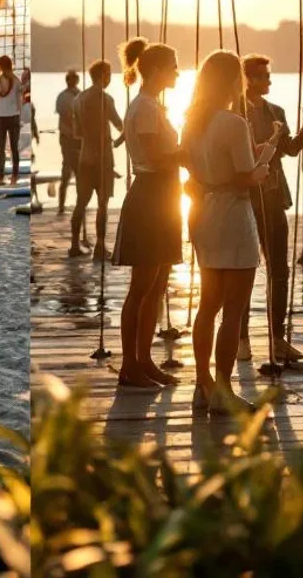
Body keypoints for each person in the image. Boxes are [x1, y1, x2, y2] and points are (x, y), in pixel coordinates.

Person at [183, 50, 278, 414]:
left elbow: (193, 173)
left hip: (203, 214)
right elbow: (243, 174)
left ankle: (202, 384)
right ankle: (223, 389)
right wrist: (259, 172)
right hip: (233, 215)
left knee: (208, 305)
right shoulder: (233, 123)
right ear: (230, 81)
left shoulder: (191, 123)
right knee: (233, 309)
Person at [233, 54, 303, 367]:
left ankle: (277, 339)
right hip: (247, 199)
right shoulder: (235, 113)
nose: (269, 81)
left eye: (269, 75)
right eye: (264, 76)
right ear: (247, 79)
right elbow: (250, 153)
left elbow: (289, 149)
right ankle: (241, 338)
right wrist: (274, 136)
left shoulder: (275, 110)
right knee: (244, 272)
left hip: (275, 197)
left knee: (279, 270)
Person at [112, 37, 182, 389]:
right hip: (151, 195)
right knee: (141, 286)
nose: (178, 72)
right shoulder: (144, 108)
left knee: (156, 286)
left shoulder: (153, 105)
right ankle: (129, 366)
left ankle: (144, 360)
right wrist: (192, 151)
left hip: (164, 196)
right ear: (155, 70)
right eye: (173, 66)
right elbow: (157, 158)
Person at [69, 61, 122, 259]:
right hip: (103, 160)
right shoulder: (105, 99)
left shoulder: (78, 100)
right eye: (109, 74)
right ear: (104, 75)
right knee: (103, 204)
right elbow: (119, 124)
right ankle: (100, 246)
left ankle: (74, 244)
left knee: (81, 202)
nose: (110, 78)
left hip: (85, 158)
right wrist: (121, 139)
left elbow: (77, 133)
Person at [0, 54, 22, 185]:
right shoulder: (17, 80)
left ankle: (1, 177)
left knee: (1, 148)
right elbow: (20, 100)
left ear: (0, 66)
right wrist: (19, 115)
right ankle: (14, 176)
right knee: (14, 148)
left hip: (0, 117)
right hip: (14, 116)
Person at [55, 70, 82, 214]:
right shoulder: (64, 96)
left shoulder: (80, 95)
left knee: (78, 173)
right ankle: (61, 205)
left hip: (76, 139)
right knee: (67, 171)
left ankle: (79, 204)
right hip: (68, 138)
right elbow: (65, 116)